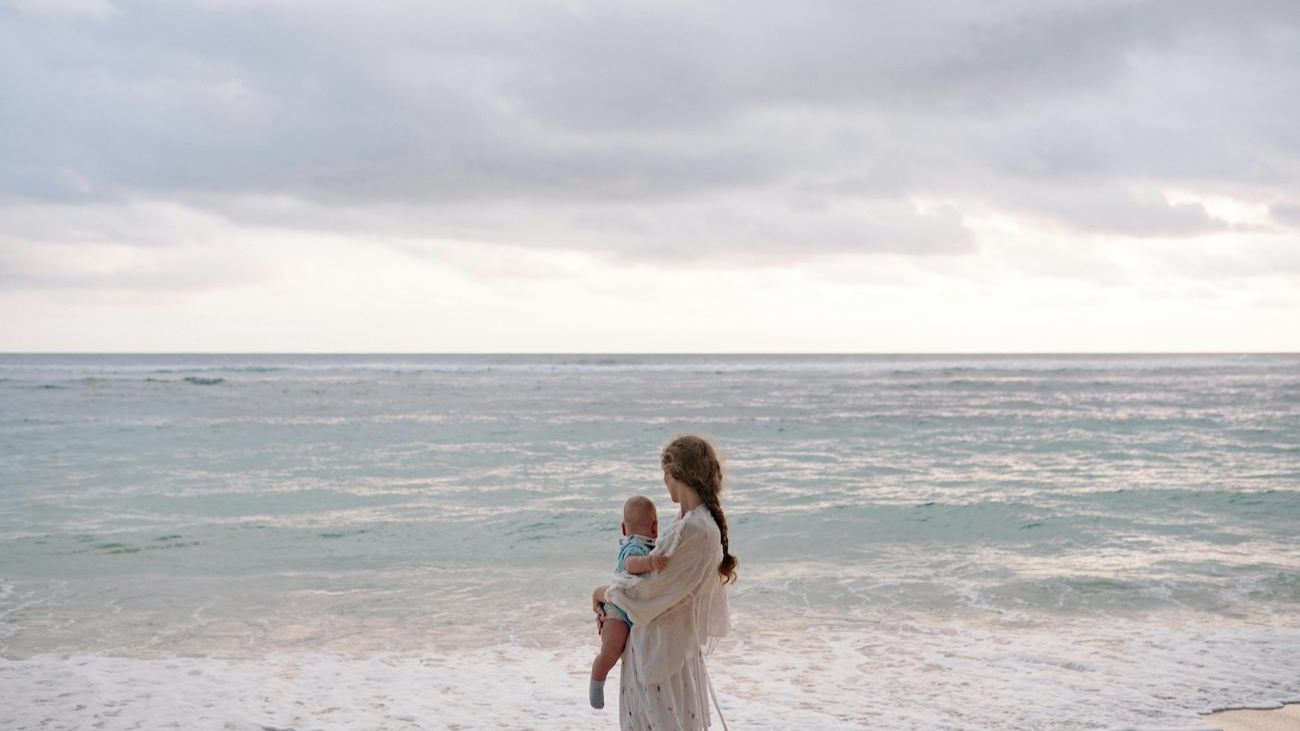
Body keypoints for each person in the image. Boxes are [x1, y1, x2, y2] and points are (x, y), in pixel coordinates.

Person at [591, 434, 737, 730]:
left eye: (665, 474)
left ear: (676, 474)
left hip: (662, 660)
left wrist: (604, 593)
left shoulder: (695, 529)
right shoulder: (687, 521)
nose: (664, 481)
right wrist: (614, 601)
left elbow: (648, 594)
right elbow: (654, 584)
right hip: (665, 653)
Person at [590, 495, 670, 709]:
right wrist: (650, 562)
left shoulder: (653, 547)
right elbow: (630, 564)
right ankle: (597, 679)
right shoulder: (634, 545)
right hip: (616, 609)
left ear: (623, 528)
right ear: (655, 527)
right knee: (612, 648)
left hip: (630, 607)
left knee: (622, 646)